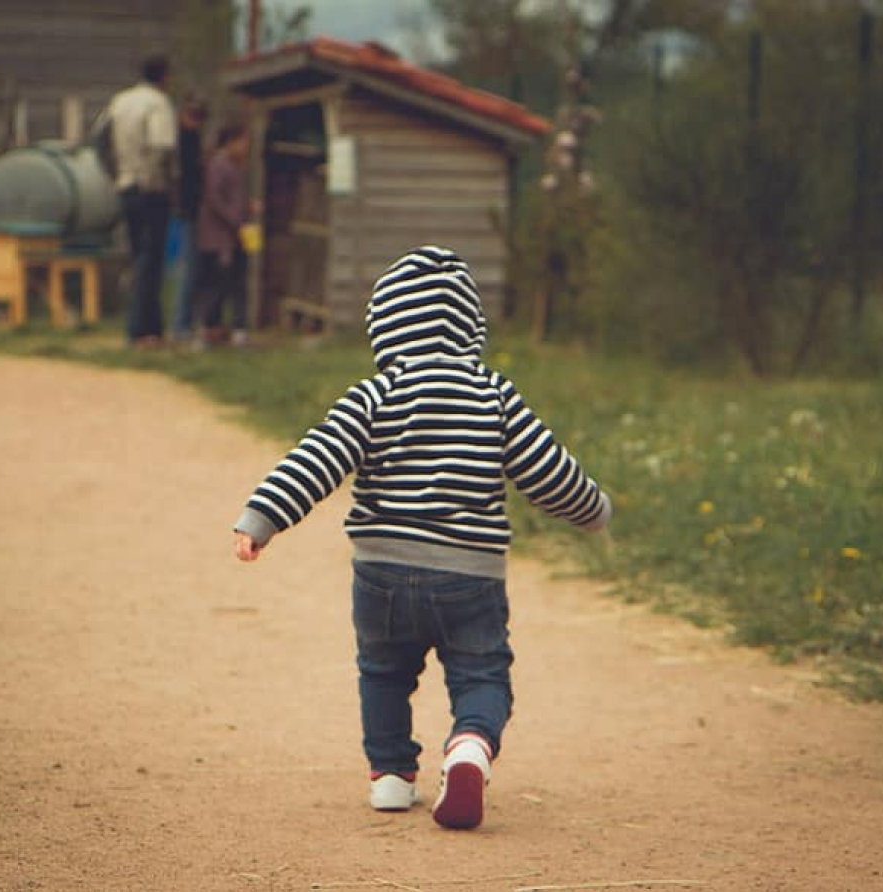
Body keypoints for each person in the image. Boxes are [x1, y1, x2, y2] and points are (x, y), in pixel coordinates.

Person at [232, 246, 612, 830]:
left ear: (384, 323)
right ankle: (469, 747)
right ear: (470, 325)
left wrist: (263, 518)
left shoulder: (375, 394)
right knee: (482, 674)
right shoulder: (494, 395)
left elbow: (319, 457)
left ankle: (389, 776)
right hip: (471, 578)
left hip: (382, 574)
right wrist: (592, 510)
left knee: (383, 672)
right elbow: (547, 469)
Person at [107, 54, 177, 347]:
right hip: (149, 189)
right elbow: (163, 144)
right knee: (151, 260)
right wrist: (156, 179)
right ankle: (139, 330)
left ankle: (152, 328)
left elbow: (101, 140)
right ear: (163, 77)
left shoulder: (120, 101)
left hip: (125, 185)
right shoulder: (157, 103)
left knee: (139, 256)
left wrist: (116, 174)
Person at [195, 121, 253, 347]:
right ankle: (209, 329)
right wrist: (236, 219)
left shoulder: (233, 165)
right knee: (218, 286)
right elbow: (216, 199)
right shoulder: (219, 165)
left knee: (234, 283)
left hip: (231, 236)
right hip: (219, 238)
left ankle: (232, 328)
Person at [171, 96, 207, 341]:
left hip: (192, 211)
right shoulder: (185, 143)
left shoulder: (189, 141)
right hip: (190, 211)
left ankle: (186, 322)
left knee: (194, 270)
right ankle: (181, 324)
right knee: (190, 269)